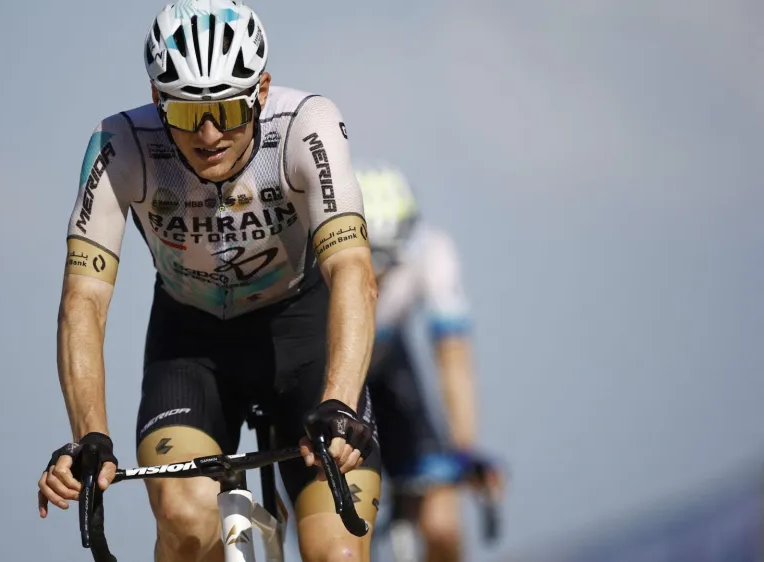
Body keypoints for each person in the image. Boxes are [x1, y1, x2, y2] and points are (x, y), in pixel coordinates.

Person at [36, 1, 383, 560]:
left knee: (337, 552)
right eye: (184, 114)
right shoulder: (119, 146)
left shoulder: (305, 126)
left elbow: (354, 272)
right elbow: (83, 301)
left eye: (226, 108)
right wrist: (90, 435)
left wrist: (340, 402)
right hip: (191, 345)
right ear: (157, 100)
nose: (208, 133)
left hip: (303, 338)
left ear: (262, 92)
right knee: (184, 517)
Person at [355, 166, 501, 562]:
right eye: (370, 258)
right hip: (332, 369)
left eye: (389, 260)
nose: (378, 273)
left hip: (387, 365)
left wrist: (464, 451)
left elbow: (453, 358)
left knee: (442, 526)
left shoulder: (432, 251)